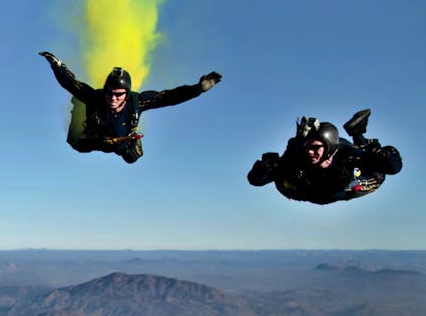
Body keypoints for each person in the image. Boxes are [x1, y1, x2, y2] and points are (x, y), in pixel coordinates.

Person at [38, 52, 221, 163]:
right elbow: (71, 84)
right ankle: (78, 111)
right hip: (98, 139)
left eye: (119, 94)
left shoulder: (137, 102)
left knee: (132, 158)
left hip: (123, 142)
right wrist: (57, 65)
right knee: (76, 145)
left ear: (126, 94)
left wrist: (197, 89)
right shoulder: (96, 97)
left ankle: (131, 143)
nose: (113, 98)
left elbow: (169, 97)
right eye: (110, 92)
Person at [247, 110, 402, 204]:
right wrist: (264, 167)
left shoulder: (345, 154)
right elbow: (256, 180)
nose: (310, 152)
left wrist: (380, 153)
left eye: (315, 148)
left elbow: (394, 168)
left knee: (375, 174)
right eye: (308, 147)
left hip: (345, 182)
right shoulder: (298, 155)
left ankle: (358, 134)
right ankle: (360, 139)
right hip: (312, 190)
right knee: (287, 176)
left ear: (329, 148)